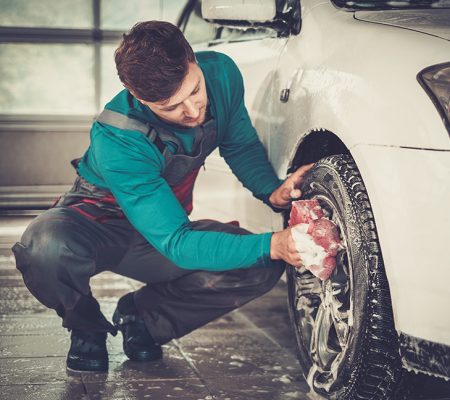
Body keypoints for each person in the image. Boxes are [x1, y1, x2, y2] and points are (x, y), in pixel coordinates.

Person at [11, 21, 313, 372]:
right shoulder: (117, 137)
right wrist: (274, 242)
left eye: (194, 91)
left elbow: (239, 142)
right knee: (44, 247)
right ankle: (85, 327)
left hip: (158, 233)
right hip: (96, 227)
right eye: (171, 106)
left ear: (191, 58)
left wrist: (270, 191)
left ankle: (143, 318)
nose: (192, 111)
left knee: (258, 266)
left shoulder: (221, 74)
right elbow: (178, 243)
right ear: (138, 97)